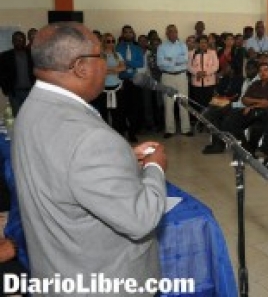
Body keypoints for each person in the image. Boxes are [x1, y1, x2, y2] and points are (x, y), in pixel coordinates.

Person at [12, 22, 167, 291]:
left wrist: (120, 157)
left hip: (56, 272)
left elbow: (62, 163)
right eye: (100, 57)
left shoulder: (32, 107)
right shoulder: (89, 138)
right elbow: (141, 219)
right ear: (81, 67)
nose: (105, 64)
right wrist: (156, 168)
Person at [220, 62, 268, 155]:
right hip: (251, 112)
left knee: (257, 125)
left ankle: (249, 150)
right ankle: (246, 148)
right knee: (230, 122)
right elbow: (244, 99)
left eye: (266, 70)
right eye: (260, 71)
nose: (263, 73)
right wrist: (258, 101)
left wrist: (252, 105)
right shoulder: (255, 84)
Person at [157, 24, 193, 138]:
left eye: (175, 31)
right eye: (171, 32)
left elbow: (185, 60)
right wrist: (175, 61)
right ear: (167, 34)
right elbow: (160, 63)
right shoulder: (161, 47)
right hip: (167, 77)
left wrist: (169, 60)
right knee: (168, 103)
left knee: (183, 102)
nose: (173, 34)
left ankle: (186, 129)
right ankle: (169, 129)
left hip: (181, 76)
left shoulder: (183, 46)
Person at [115, 25, 144, 142]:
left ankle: (132, 133)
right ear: (122, 34)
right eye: (125, 32)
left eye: (130, 32)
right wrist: (129, 63)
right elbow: (117, 64)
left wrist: (126, 62)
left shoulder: (137, 49)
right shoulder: (117, 48)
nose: (128, 34)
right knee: (121, 109)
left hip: (134, 81)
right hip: (121, 82)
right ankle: (121, 133)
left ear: (133, 34)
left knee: (134, 109)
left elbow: (140, 63)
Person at [95, 33, 126, 132]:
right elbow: (99, 70)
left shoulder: (118, 55)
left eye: (113, 41)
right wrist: (114, 70)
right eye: (108, 41)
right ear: (104, 42)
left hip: (116, 88)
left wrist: (108, 70)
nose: (111, 43)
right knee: (104, 114)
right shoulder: (99, 56)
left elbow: (123, 67)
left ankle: (119, 135)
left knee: (118, 114)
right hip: (103, 89)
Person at [0, 31, 35, 115]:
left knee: (30, 115)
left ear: (25, 41)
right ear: (12, 41)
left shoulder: (32, 54)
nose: (19, 41)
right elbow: (1, 74)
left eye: (21, 39)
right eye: (16, 39)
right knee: (17, 117)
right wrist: (7, 89)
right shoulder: (5, 56)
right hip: (14, 93)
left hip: (30, 92)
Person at [188, 35, 219, 109]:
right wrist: (197, 72)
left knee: (208, 104)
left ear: (208, 43)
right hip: (196, 83)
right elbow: (188, 66)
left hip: (209, 83)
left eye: (205, 42)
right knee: (197, 104)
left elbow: (216, 66)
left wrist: (205, 72)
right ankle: (198, 120)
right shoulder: (191, 53)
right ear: (198, 44)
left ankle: (207, 120)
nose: (203, 44)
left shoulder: (212, 53)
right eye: (201, 42)